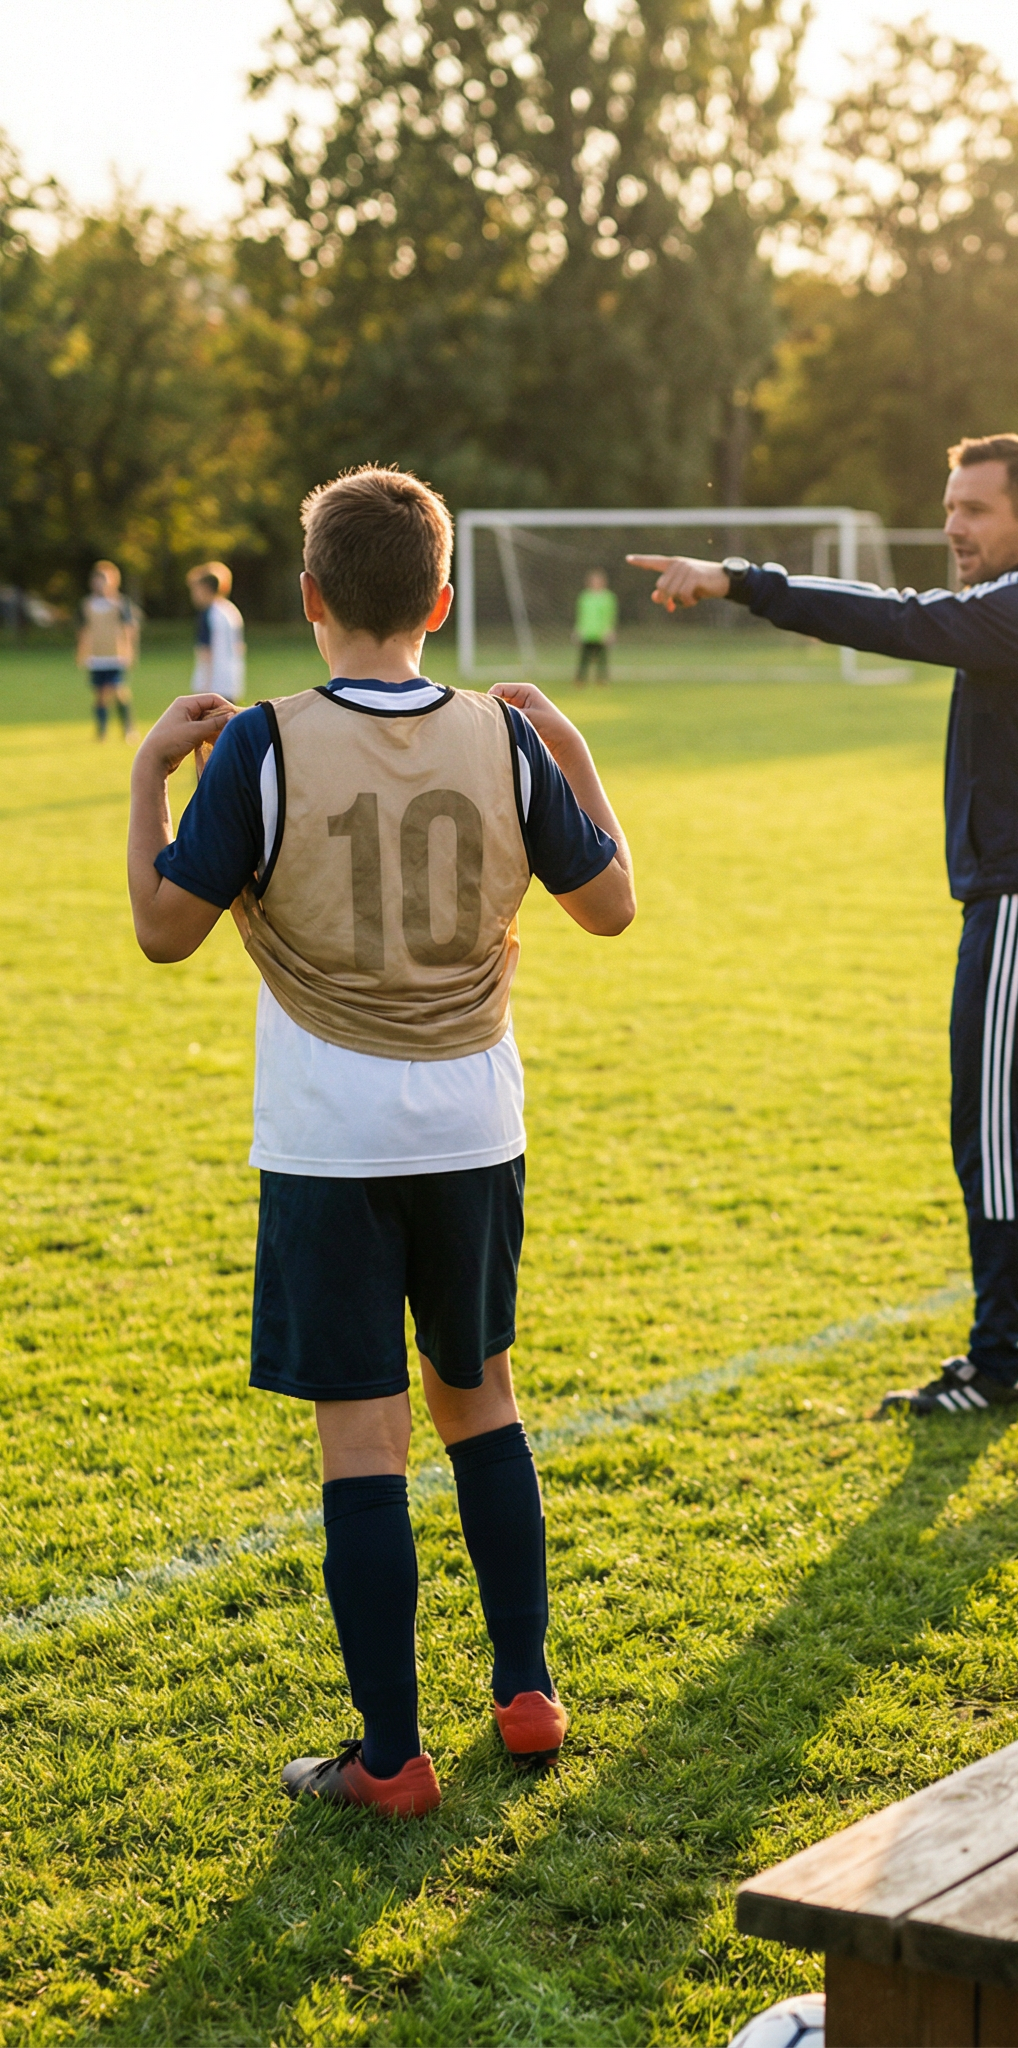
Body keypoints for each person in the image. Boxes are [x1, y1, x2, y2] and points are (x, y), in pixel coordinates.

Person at [127, 465, 635, 1816]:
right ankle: (526, 1694)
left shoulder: (262, 743)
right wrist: (573, 751)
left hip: (330, 1133)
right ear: (442, 600)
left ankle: (391, 1757)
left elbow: (164, 930)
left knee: (364, 1437)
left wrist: (145, 776)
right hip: (473, 1118)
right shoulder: (504, 737)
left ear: (308, 599)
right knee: (483, 1402)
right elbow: (613, 906)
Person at [628, 433, 1018, 1415]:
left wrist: (739, 581)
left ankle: (996, 1361)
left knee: (993, 1133)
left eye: (973, 509)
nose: (951, 526)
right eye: (948, 506)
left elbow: (898, 620)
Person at [77, 560, 137, 743]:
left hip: (115, 655)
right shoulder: (87, 604)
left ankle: (128, 727)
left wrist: (129, 650)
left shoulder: (119, 603)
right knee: (100, 694)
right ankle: (101, 730)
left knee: (118, 690)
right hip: (96, 656)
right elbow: (83, 630)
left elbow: (128, 628)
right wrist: (81, 652)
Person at [186, 561, 246, 704]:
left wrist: (203, 685)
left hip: (212, 683)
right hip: (231, 680)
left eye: (195, 590)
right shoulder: (231, 611)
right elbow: (239, 647)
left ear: (205, 589)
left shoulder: (208, 614)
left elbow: (205, 651)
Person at [574, 568, 617, 686]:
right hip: (587, 633)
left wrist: (609, 631)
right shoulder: (584, 597)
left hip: (601, 633)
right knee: (584, 659)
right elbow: (580, 615)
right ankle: (580, 680)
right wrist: (578, 630)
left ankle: (602, 680)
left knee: (602, 659)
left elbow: (610, 615)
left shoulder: (608, 597)